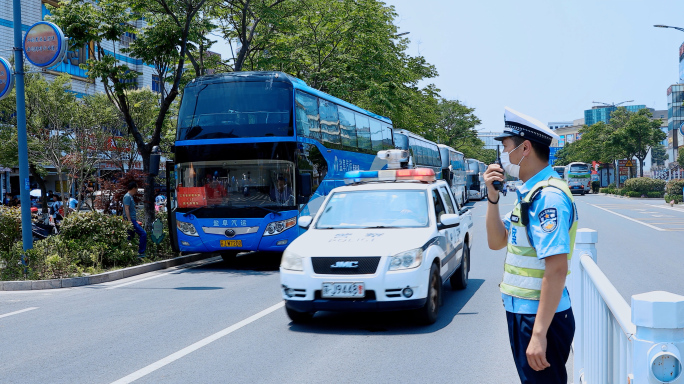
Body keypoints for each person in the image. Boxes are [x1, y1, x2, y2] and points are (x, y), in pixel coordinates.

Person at [483, 107, 577, 384]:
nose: (502, 154)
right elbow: (496, 242)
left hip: (539, 316)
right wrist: (492, 197)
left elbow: (557, 269)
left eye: (505, 146)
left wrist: (538, 335)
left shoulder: (548, 197)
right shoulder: (529, 192)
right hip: (523, 311)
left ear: (524, 148)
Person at [123, 182, 146, 258]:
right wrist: (129, 220)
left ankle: (129, 253)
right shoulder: (127, 197)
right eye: (136, 188)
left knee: (130, 237)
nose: (136, 190)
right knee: (143, 234)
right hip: (130, 220)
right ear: (133, 188)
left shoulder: (130, 196)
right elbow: (126, 209)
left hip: (132, 220)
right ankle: (141, 252)